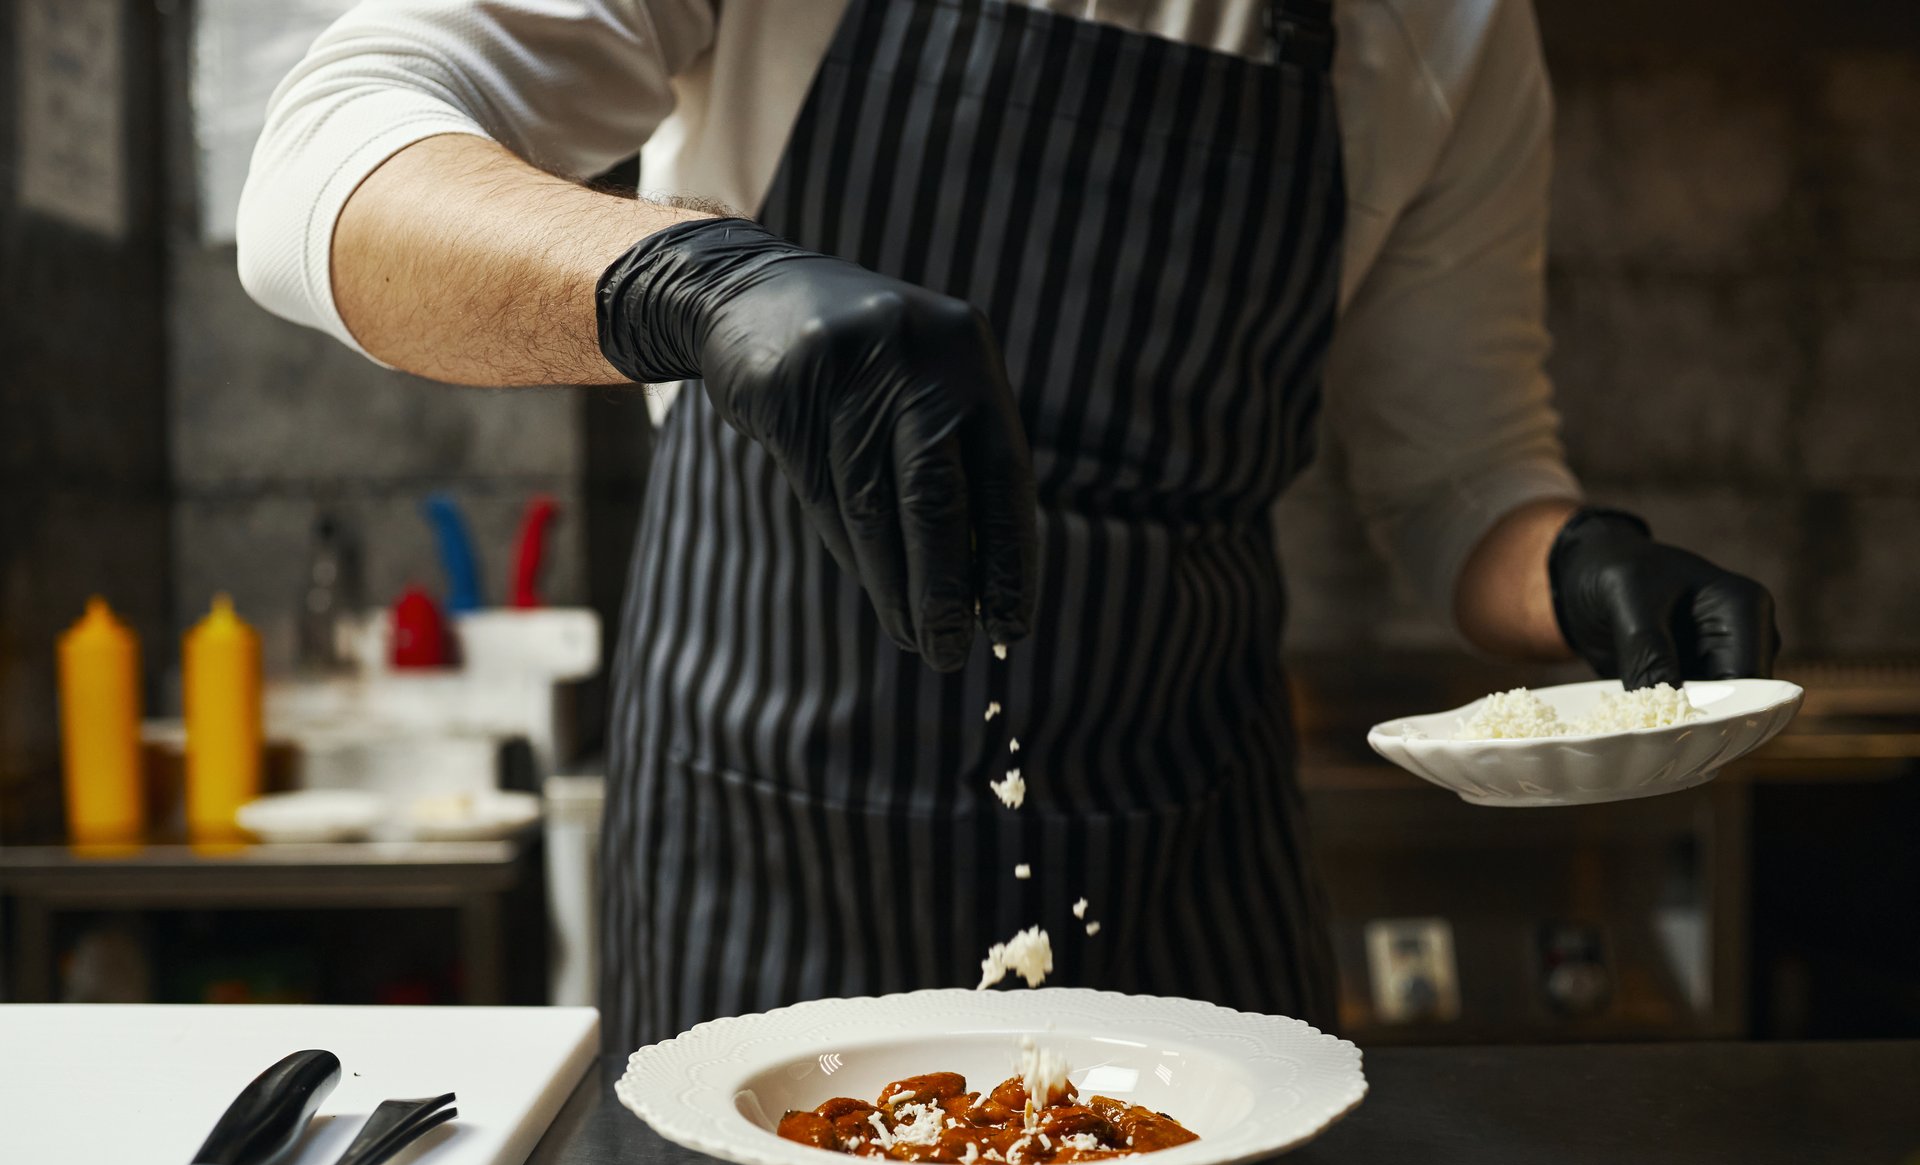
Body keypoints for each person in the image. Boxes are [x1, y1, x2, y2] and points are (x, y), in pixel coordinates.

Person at [238, 0, 1778, 1049]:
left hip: (1184, 881)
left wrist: (1574, 564)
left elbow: (1465, 481)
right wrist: (697, 286)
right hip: (760, 855)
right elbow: (324, 163)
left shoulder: (1441, 27)